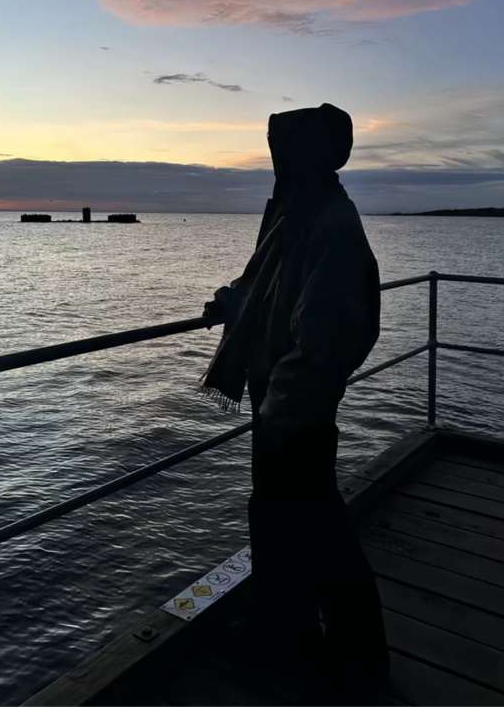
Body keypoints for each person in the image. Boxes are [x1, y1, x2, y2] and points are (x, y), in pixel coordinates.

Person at [201, 104, 389, 703]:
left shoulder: (330, 221)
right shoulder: (298, 212)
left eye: (283, 146)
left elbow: (330, 333)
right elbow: (266, 287)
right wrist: (229, 302)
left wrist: (282, 406)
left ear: (310, 152)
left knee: (317, 529)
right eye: (272, 146)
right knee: (279, 520)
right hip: (280, 403)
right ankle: (284, 631)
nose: (275, 157)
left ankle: (360, 660)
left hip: (295, 410)